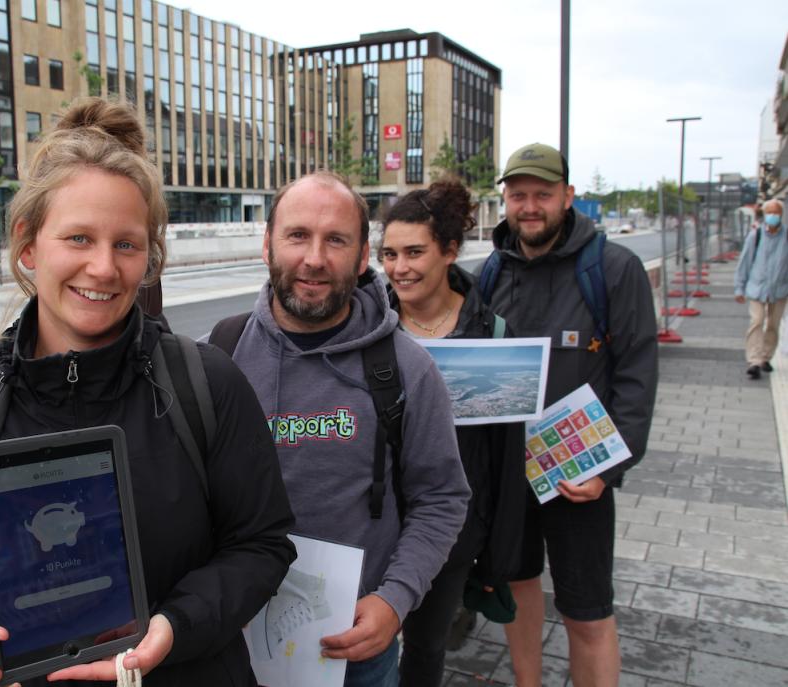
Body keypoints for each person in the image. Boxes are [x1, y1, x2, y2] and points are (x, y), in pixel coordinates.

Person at [0, 98, 296, 686]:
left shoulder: (206, 385)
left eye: (127, 244)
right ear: (29, 245)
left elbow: (262, 544)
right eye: (79, 238)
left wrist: (175, 626)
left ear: (149, 256)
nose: (104, 268)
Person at [214, 171, 471, 686]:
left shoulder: (407, 369)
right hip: (232, 640)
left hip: (353, 650)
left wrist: (394, 599)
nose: (314, 258)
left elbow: (442, 497)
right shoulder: (219, 356)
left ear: (361, 256)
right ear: (267, 244)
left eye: (336, 240)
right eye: (297, 235)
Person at [479, 143, 658, 687]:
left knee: (587, 610)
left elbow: (636, 374)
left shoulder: (612, 268)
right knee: (520, 588)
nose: (529, 206)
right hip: (512, 475)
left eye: (542, 195)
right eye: (518, 195)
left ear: (568, 197)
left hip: (579, 475)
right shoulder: (491, 271)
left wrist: (608, 469)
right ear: (504, 200)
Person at [378, 178, 526, 686]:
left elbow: (506, 455)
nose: (400, 268)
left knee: (424, 647)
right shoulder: (368, 326)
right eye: (389, 253)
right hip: (373, 519)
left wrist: (498, 548)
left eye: (415, 252)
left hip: (452, 528)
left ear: (450, 251)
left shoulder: (493, 333)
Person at [734, 198, 788, 379]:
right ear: (765, 214)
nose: (773, 216)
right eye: (770, 212)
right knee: (757, 321)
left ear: (781, 214)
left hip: (779, 290)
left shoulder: (786, 235)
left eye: (776, 212)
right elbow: (745, 262)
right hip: (757, 288)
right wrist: (739, 288)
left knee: (773, 325)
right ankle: (754, 361)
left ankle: (766, 357)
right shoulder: (756, 235)